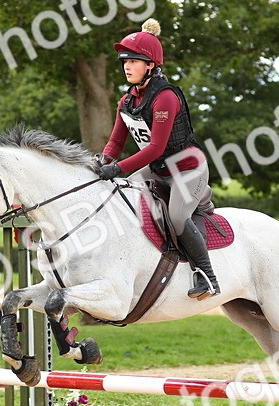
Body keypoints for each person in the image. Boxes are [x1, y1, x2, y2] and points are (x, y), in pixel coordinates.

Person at [94, 18, 220, 299]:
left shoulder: (165, 97)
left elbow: (156, 148)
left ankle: (207, 276)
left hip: (188, 169)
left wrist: (116, 167)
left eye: (134, 61)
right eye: (124, 60)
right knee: (121, 195)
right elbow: (116, 141)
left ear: (150, 65)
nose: (127, 66)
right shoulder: (127, 101)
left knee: (176, 217)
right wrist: (102, 162)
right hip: (158, 171)